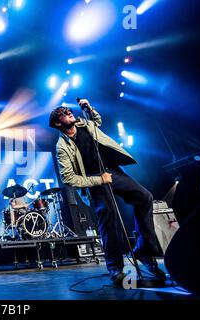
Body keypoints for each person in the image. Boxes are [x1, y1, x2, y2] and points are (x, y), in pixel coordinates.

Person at [49, 99, 166, 286]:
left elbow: (97, 121)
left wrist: (88, 107)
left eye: (68, 110)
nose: (68, 112)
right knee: (109, 217)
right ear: (57, 123)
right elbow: (68, 178)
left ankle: (143, 250)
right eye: (63, 113)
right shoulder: (61, 147)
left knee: (145, 197)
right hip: (95, 181)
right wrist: (99, 180)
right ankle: (115, 269)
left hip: (111, 170)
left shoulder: (84, 123)